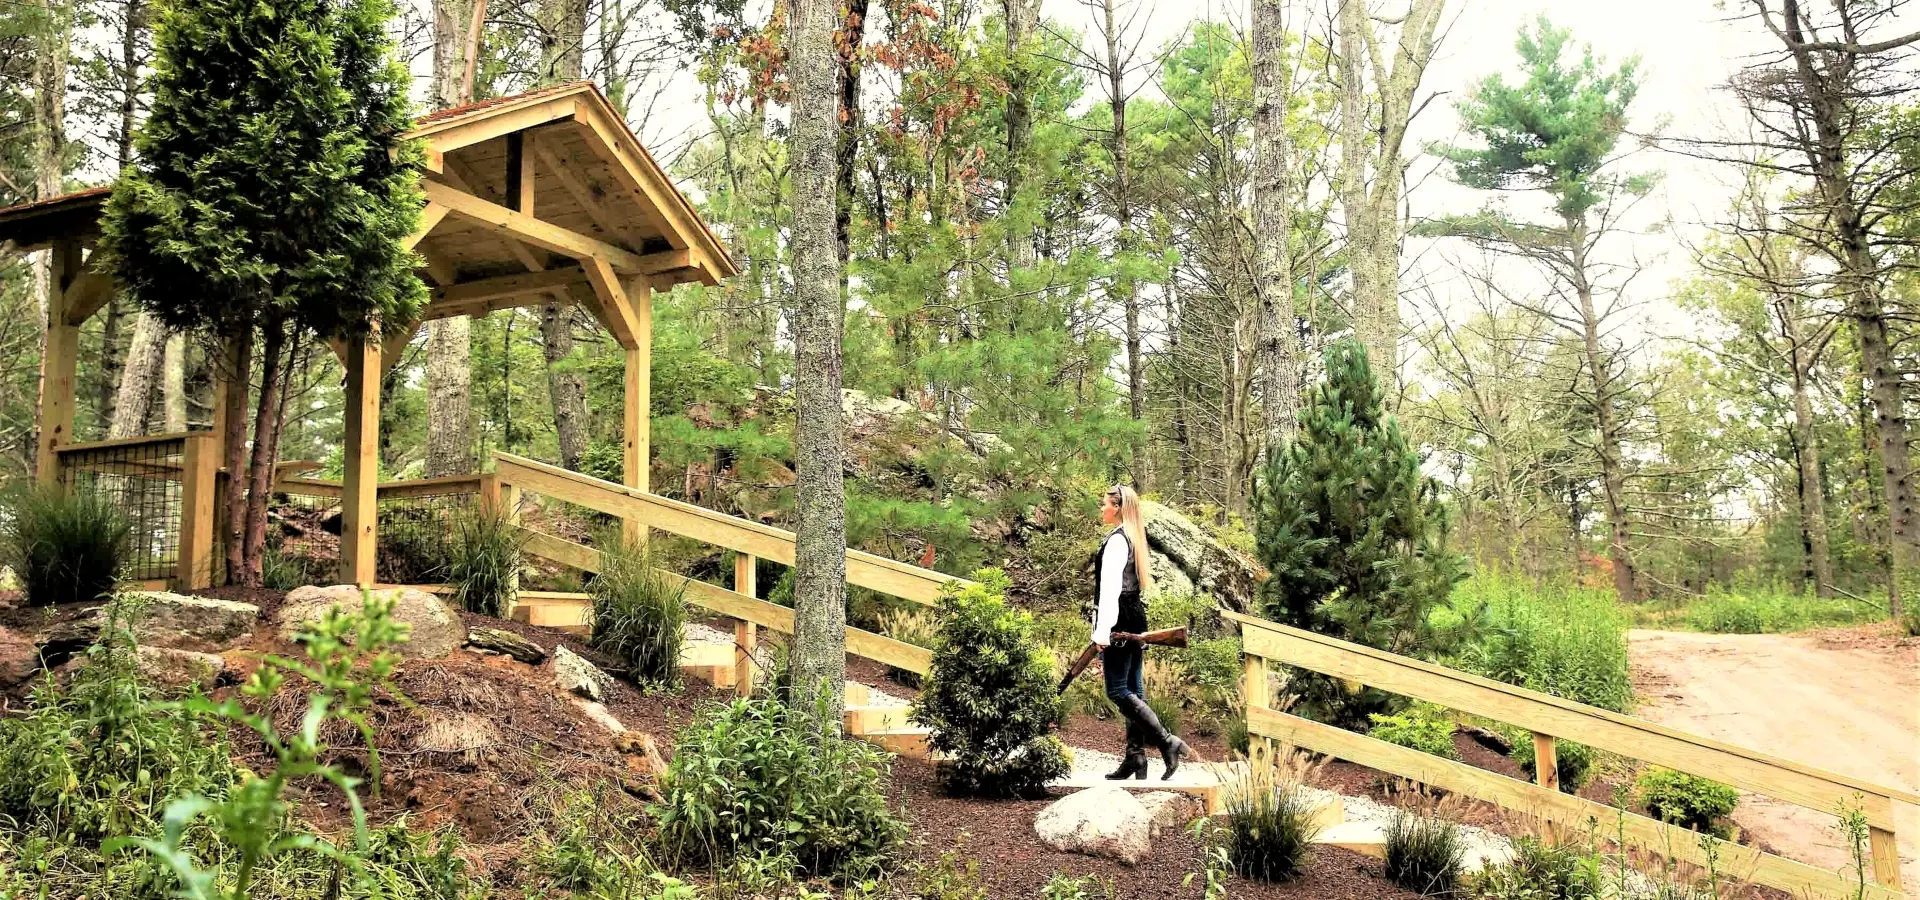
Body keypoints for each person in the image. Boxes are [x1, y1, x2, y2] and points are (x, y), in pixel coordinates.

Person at [1091, 484, 1191, 781]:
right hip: (1134, 613)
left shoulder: (1118, 541)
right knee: (1134, 689)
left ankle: (1166, 741)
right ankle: (1135, 757)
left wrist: (1102, 631)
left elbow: (1110, 590)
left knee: (1118, 690)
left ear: (1118, 507)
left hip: (1120, 617)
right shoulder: (1132, 536)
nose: (1102, 508)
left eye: (1105, 504)